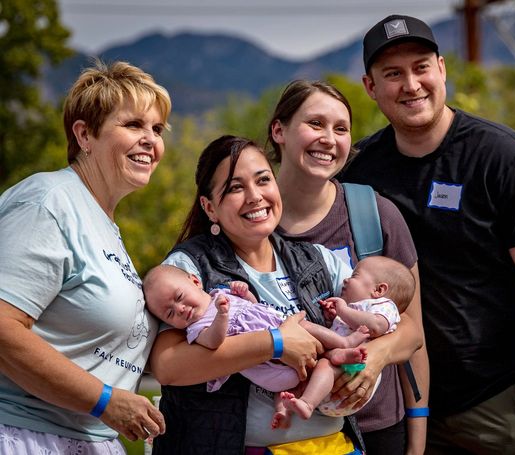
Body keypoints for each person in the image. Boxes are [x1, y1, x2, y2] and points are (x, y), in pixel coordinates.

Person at [339, 14, 515, 454]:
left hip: (499, 402)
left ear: (442, 69)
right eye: (393, 74)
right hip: (407, 405)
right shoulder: (360, 168)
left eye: (421, 67)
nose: (411, 84)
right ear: (370, 87)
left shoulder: (504, 157)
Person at [148, 135, 423, 454]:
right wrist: (276, 343)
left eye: (263, 180)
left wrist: (377, 356)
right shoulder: (188, 268)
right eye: (235, 188)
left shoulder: (316, 259)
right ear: (210, 207)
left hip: (330, 446)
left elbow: (409, 330)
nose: (254, 196)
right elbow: (168, 366)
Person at [0, 60, 171, 454]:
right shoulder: (49, 201)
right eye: (133, 125)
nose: (150, 140)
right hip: (25, 436)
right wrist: (105, 400)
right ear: (84, 135)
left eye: (157, 129)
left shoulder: (104, 224)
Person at [268, 79, 430, 454]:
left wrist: (417, 444)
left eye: (341, 129)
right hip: (282, 432)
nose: (329, 138)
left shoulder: (375, 214)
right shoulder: (248, 219)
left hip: (377, 429)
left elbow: (414, 332)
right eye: (315, 124)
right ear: (279, 130)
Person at [143, 264, 369, 427]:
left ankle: (341, 346)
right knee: (291, 379)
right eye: (170, 313)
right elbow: (214, 342)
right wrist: (221, 316)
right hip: (269, 366)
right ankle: (300, 401)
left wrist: (246, 294)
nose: (181, 309)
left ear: (195, 281)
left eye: (180, 297)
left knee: (308, 333)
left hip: (284, 328)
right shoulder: (195, 329)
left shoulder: (220, 293)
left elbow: (254, 310)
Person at [281, 255, 416, 423]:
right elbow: (345, 326)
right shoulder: (355, 308)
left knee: (324, 366)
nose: (345, 280)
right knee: (294, 378)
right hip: (332, 379)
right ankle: (284, 410)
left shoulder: (385, 307)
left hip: (351, 377)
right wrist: (333, 317)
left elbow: (375, 326)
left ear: (379, 290)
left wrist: (343, 310)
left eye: (354, 276)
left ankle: (307, 403)